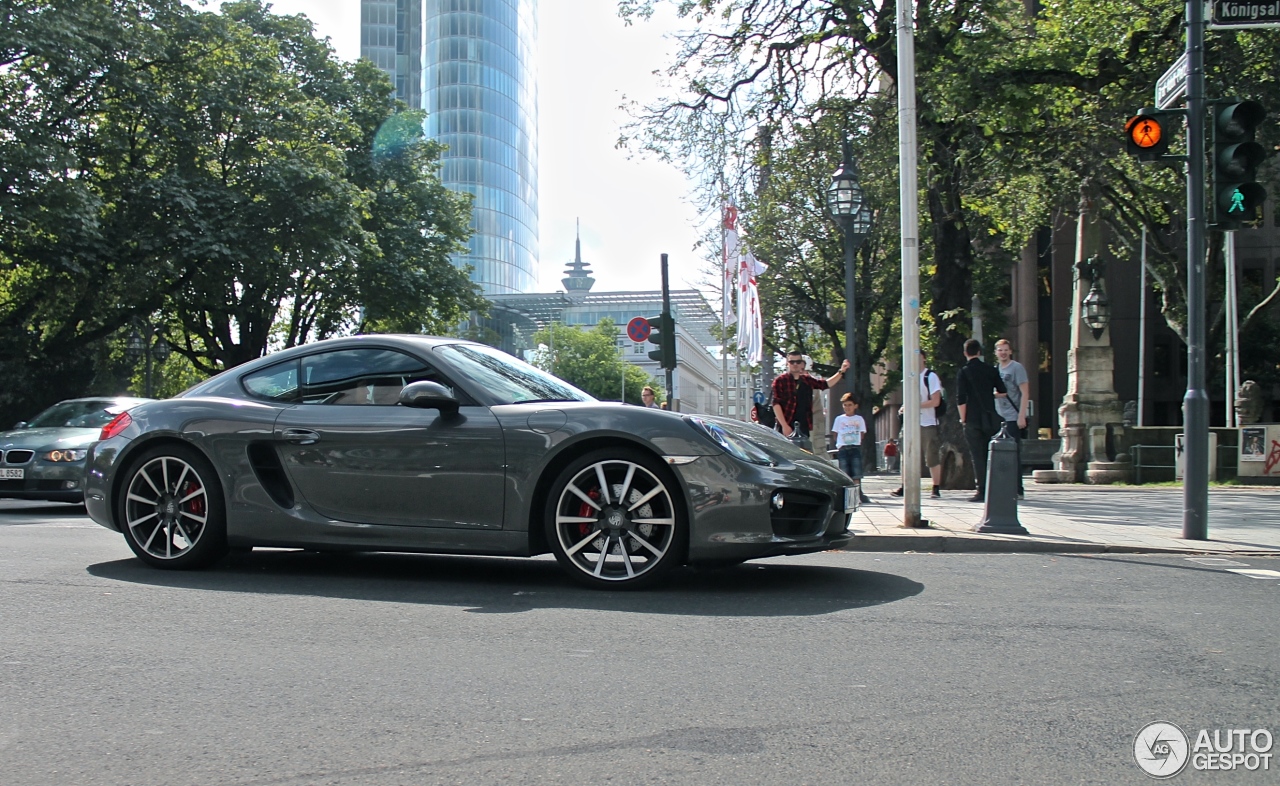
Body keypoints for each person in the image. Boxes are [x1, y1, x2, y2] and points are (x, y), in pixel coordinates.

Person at [956, 338, 1007, 503]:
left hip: (972, 418)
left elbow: (961, 398)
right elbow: (1002, 391)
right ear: (979, 352)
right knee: (991, 453)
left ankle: (981, 490)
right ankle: (996, 487)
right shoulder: (990, 370)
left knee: (977, 455)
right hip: (990, 417)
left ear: (965, 353)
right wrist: (988, 395)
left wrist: (963, 419)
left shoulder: (964, 372)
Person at [771, 350, 850, 452]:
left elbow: (825, 384)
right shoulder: (780, 381)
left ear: (802, 364)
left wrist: (841, 371)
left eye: (798, 362)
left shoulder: (807, 380)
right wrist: (784, 426)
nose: (795, 364)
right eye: (792, 362)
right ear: (787, 363)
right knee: (786, 455)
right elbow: (776, 404)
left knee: (804, 457)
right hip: (786, 427)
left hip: (804, 428)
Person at [890, 349, 944, 499]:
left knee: (931, 455)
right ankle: (905, 485)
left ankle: (936, 487)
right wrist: (904, 407)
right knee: (905, 454)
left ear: (924, 359)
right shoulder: (909, 376)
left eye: (918, 357)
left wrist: (915, 405)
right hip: (910, 422)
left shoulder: (930, 376)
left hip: (927, 422)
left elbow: (935, 401)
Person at [993, 339, 1029, 498]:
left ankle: (1018, 489)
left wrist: (1022, 415)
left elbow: (1025, 392)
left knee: (1013, 453)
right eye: (1000, 350)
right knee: (998, 453)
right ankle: (1003, 487)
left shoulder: (1017, 368)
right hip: (998, 414)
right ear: (996, 352)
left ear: (1010, 351)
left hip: (1013, 416)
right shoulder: (995, 369)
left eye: (1006, 350)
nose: (1003, 353)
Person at [831, 393, 872, 503]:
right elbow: (835, 433)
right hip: (843, 448)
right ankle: (846, 498)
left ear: (855, 406)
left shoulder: (859, 419)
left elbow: (862, 433)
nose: (847, 407)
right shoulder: (839, 419)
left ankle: (856, 497)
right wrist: (840, 443)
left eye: (850, 405)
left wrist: (856, 440)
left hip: (855, 448)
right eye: (845, 405)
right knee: (845, 473)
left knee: (856, 473)